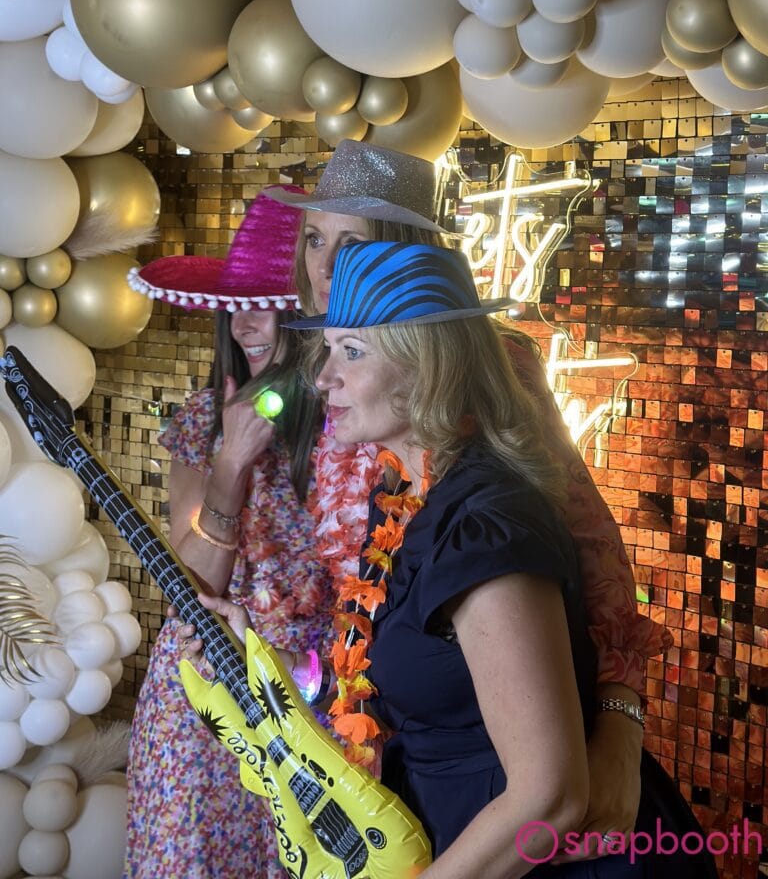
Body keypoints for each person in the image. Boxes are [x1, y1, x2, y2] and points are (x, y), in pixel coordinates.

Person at [189, 241, 715, 878]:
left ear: (424, 371)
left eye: (351, 351)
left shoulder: (483, 525)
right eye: (328, 350)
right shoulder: (407, 498)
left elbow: (548, 798)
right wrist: (255, 664)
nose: (323, 377)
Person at [265, 139, 673, 851]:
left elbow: (588, 544)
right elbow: (337, 565)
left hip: (484, 729)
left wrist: (618, 720)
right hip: (376, 708)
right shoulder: (316, 371)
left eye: (352, 242)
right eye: (313, 240)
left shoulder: (484, 369)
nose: (325, 265)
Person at [123, 193, 334, 879]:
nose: (245, 323)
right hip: (207, 696)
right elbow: (193, 590)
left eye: (268, 302)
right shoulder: (201, 421)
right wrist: (230, 466)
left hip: (318, 704)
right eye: (235, 303)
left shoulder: (354, 417)